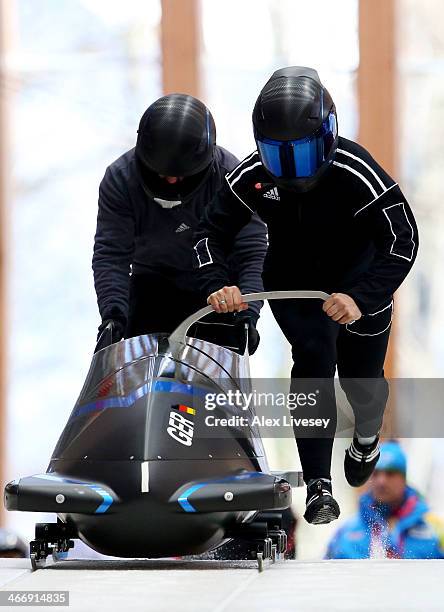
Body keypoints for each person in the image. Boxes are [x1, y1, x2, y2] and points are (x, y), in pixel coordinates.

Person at [193, 66, 419, 525]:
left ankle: (367, 436)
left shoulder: (358, 171)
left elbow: (403, 240)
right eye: (279, 157)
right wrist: (220, 281)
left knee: (363, 380)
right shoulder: (252, 176)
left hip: (360, 281)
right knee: (313, 357)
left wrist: (361, 294)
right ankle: (319, 484)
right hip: (295, 282)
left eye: (303, 153)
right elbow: (207, 236)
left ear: (328, 136)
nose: (293, 170)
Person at [93, 93, 267, 353]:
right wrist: (113, 315)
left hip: (218, 289)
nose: (171, 182)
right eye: (161, 173)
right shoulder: (121, 178)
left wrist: (248, 312)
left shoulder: (232, 177)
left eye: (181, 175)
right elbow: (112, 254)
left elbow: (251, 251)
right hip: (153, 283)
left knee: (211, 381)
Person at [326, 441, 444, 559]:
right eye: (375, 473)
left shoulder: (434, 530)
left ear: (403, 478)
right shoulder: (345, 531)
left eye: (390, 473)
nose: (381, 481)